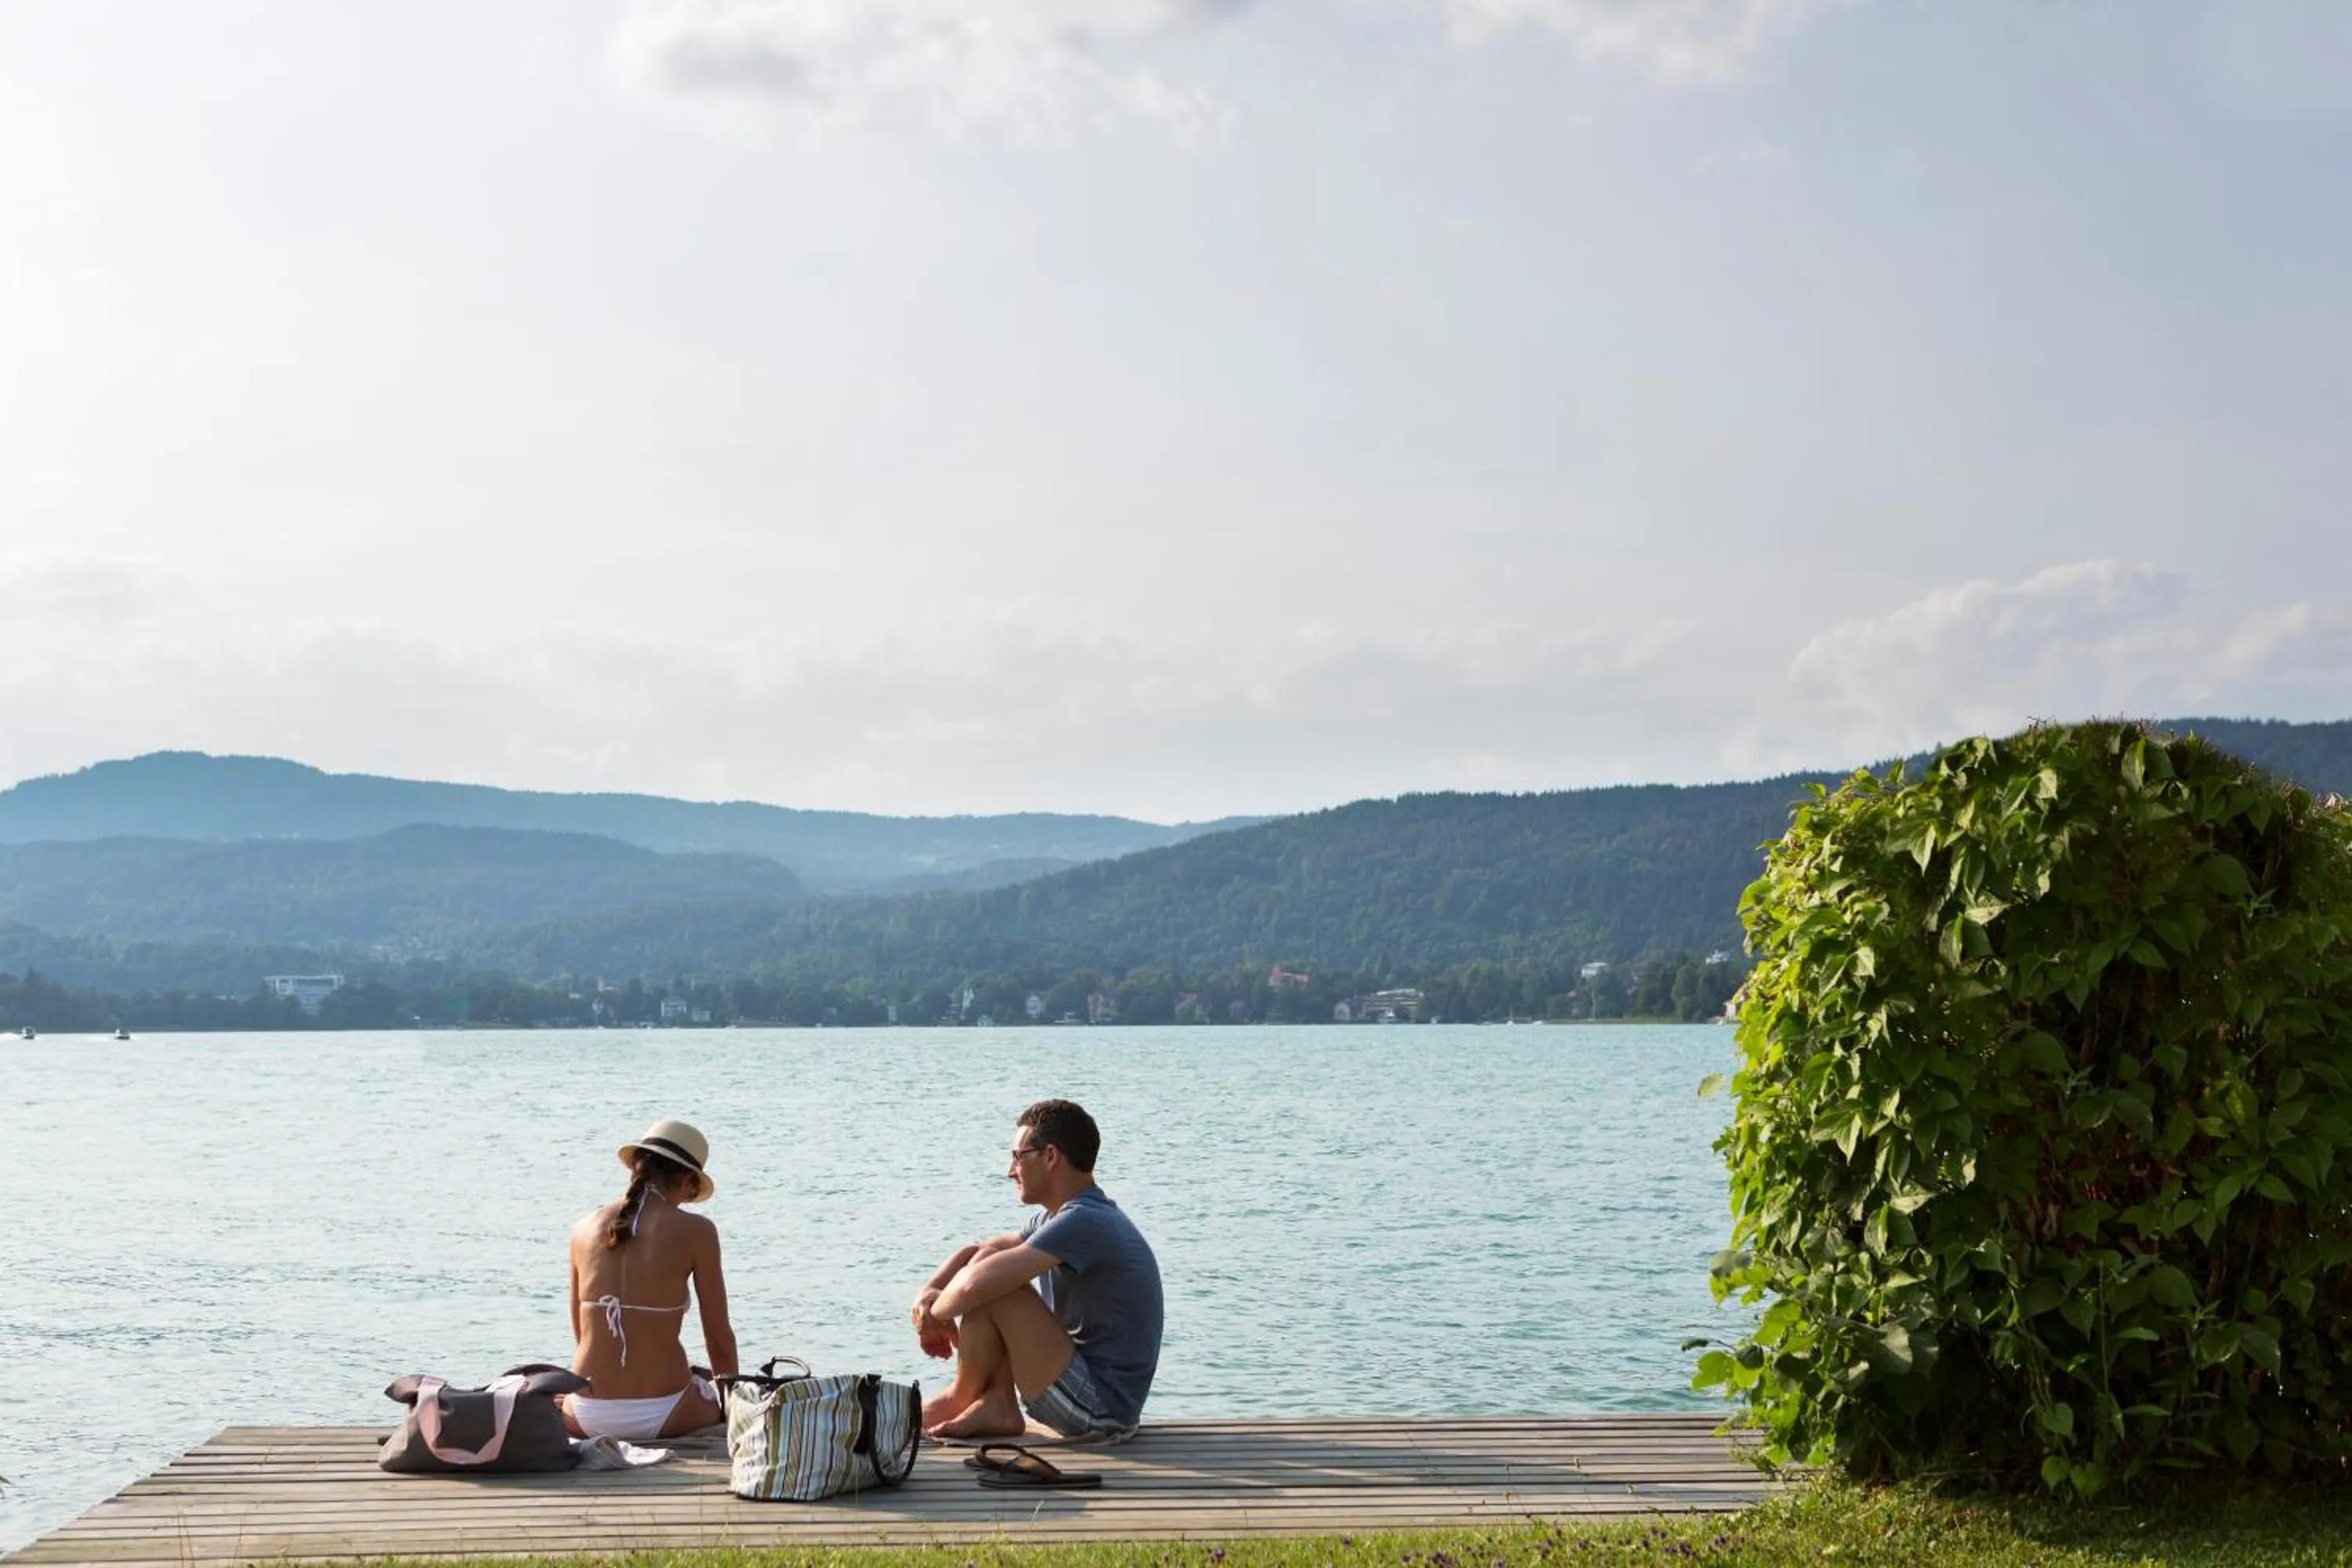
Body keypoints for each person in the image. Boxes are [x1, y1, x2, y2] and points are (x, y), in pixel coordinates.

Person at [912, 1098, 1163, 1441]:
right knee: (993, 1269)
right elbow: (982, 1250)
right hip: (1089, 1396)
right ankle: (997, 1403)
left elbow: (973, 1286)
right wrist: (928, 1292)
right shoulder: (1058, 1218)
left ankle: (961, 1399)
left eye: (1018, 1156)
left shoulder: (1084, 1220)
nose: (1010, 1171)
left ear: (1050, 1157)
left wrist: (935, 1316)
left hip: (1099, 1410)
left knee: (995, 1282)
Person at [561, 1117, 739, 1441]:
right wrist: (733, 1409)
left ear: (635, 1169)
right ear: (688, 1181)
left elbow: (582, 1333)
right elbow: (718, 1340)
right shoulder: (698, 1232)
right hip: (667, 1410)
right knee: (709, 1393)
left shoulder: (582, 1228)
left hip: (584, 1411)